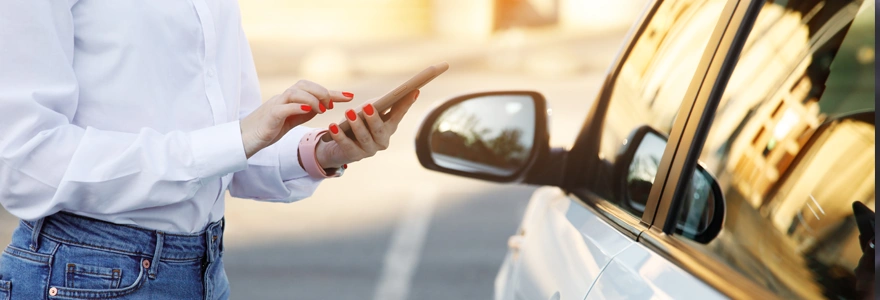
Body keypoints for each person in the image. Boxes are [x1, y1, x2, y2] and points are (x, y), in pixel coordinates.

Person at [0, 1, 417, 299]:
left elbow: (228, 146)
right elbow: (26, 163)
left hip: (203, 270)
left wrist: (324, 151)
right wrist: (235, 138)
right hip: (85, 274)